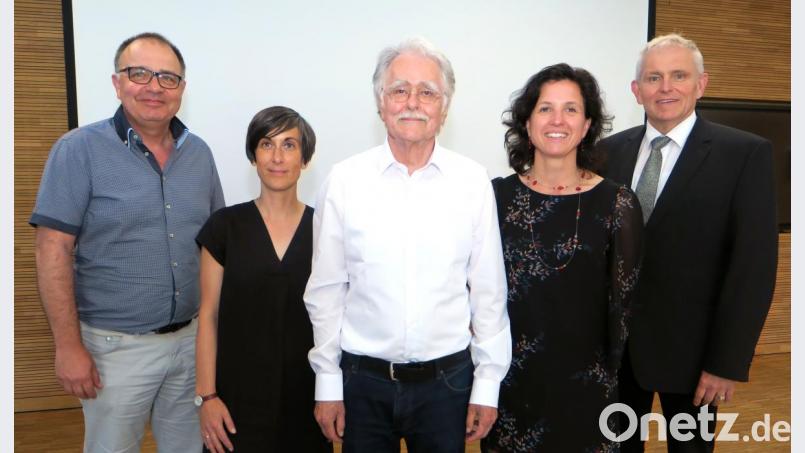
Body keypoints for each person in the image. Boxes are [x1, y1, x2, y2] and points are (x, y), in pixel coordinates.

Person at [304, 37, 511, 452]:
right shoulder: (344, 182)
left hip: (447, 387)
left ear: (444, 108)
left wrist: (487, 385)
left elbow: (488, 292)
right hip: (362, 385)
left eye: (428, 92)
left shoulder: (472, 182)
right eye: (399, 90)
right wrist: (327, 382)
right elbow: (327, 291)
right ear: (380, 103)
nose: (412, 102)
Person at [30, 32, 224, 452]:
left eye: (167, 78)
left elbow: (214, 251)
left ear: (182, 90)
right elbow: (52, 252)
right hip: (114, 351)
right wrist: (68, 346)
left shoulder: (200, 154)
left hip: (190, 344)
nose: (154, 87)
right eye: (140, 74)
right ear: (117, 83)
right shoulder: (78, 151)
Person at [598, 33, 778, 452]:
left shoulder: (744, 154)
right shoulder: (605, 153)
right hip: (615, 357)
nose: (666, 88)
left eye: (679, 75)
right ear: (636, 90)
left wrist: (726, 363)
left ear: (701, 84)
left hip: (695, 361)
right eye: (653, 77)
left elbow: (753, 267)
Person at [481, 64, 643, 452]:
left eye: (571, 109)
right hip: (510, 387)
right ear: (527, 121)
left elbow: (624, 308)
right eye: (545, 108)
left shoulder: (618, 202)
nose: (558, 120)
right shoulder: (493, 199)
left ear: (587, 125)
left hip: (588, 390)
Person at [195, 106, 331, 453]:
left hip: (308, 401)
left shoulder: (327, 230)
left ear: (305, 158)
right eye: (266, 144)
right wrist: (207, 396)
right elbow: (208, 317)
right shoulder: (223, 227)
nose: (277, 157)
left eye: (289, 145)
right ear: (253, 156)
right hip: (236, 403)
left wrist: (335, 394)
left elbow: (336, 322)